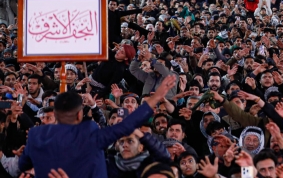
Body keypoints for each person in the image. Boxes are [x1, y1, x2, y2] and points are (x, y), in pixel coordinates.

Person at [18, 75, 177, 177]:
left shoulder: (35, 135)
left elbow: (22, 165)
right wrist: (156, 97)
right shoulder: (89, 132)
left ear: (55, 114)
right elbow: (127, 125)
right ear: (79, 115)